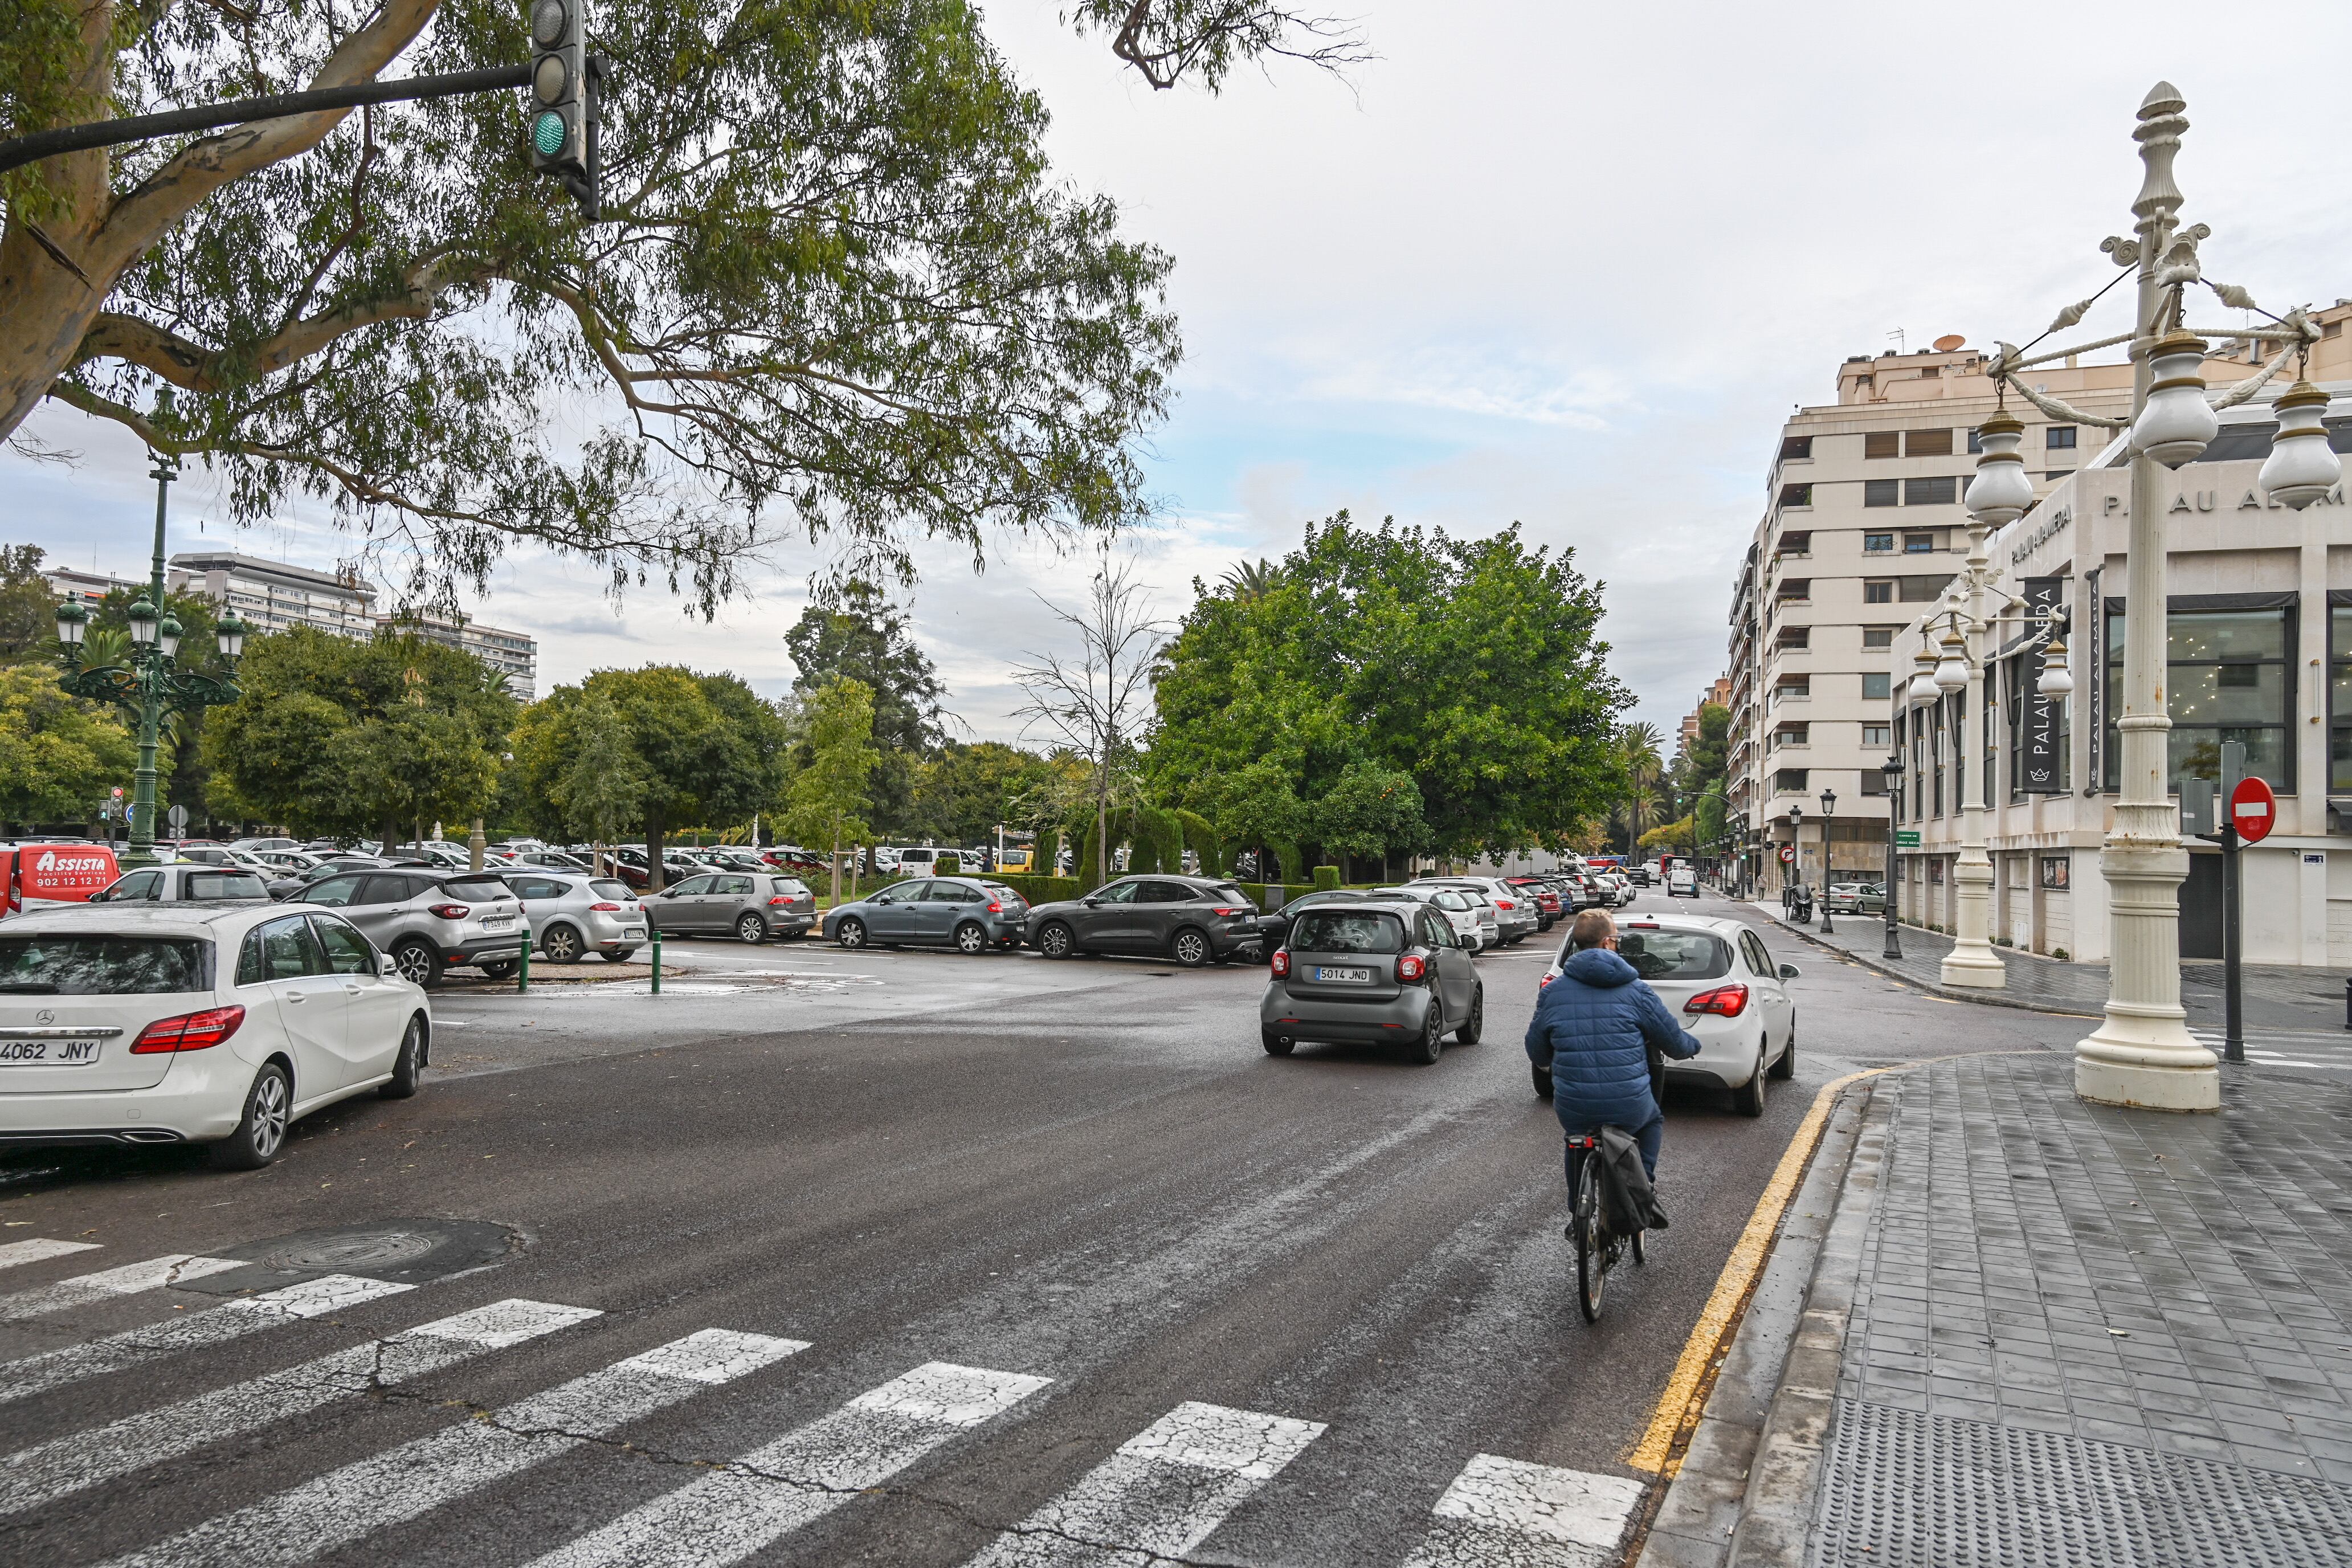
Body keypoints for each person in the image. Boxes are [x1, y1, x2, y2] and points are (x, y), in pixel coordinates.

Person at [1525, 908, 1702, 1191]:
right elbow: (1673, 1041)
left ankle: (1577, 1216)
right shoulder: (1636, 990)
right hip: (1628, 1103)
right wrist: (1691, 1046)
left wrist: (1552, 1058)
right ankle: (1641, 1189)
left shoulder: (1553, 992)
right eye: (1617, 940)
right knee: (1652, 1120)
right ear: (1608, 942)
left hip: (1574, 1105)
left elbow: (1537, 1050)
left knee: (1577, 1141)